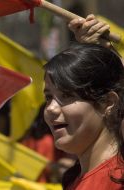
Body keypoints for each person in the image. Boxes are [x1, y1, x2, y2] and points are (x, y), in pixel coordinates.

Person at [43, 43, 124, 189]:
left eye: (67, 95)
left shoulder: (118, 180)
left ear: (108, 102)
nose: (51, 109)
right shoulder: (75, 180)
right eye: (48, 97)